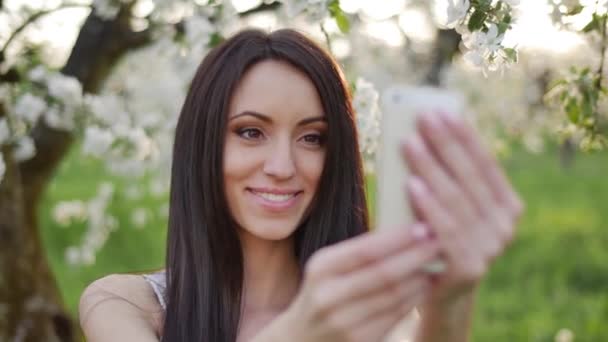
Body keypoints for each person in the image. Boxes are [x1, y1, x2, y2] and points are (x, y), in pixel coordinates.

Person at [78, 28, 523, 342]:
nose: (282, 166)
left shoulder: (381, 322)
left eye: (313, 138)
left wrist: (450, 302)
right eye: (251, 132)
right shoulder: (125, 305)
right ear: (203, 144)